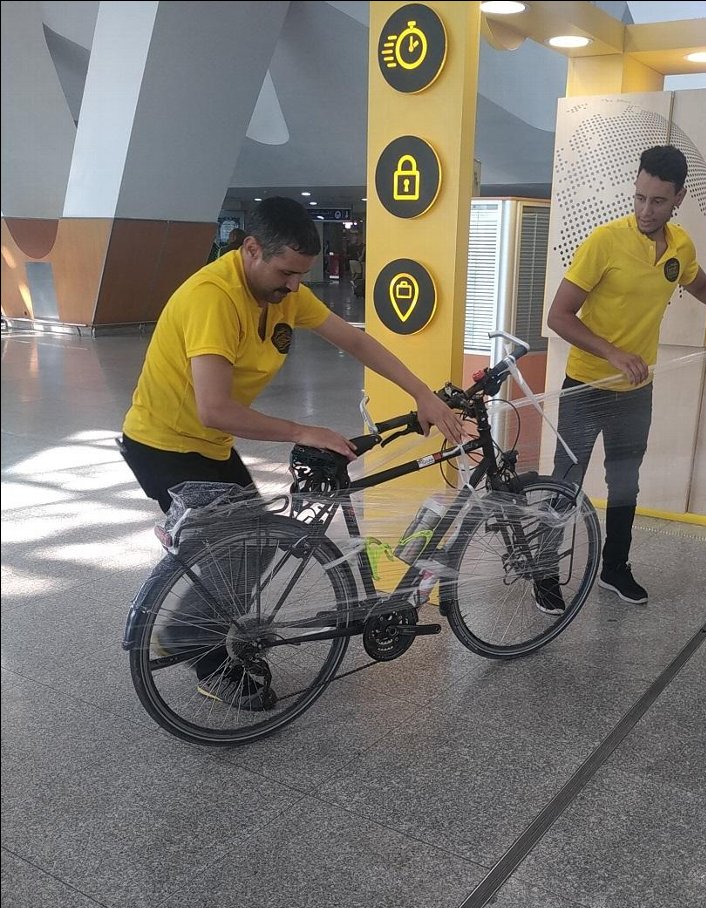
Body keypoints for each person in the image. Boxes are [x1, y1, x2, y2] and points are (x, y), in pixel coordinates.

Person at [120, 196, 462, 707]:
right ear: (251, 249)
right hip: (165, 445)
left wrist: (423, 394)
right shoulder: (212, 298)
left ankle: (199, 631)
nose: (295, 286)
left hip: (209, 445)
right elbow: (214, 407)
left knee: (253, 541)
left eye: (302, 274)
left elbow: (356, 341)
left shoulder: (281, 295)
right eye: (286, 272)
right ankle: (198, 645)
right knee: (246, 544)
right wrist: (304, 430)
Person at [539, 145, 706, 611]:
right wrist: (612, 352)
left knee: (625, 484)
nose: (646, 210)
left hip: (635, 393)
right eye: (640, 197)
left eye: (658, 201)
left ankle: (615, 569)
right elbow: (559, 316)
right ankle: (543, 572)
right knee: (565, 483)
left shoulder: (680, 246)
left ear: (678, 198)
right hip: (585, 389)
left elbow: (702, 286)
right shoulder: (604, 242)